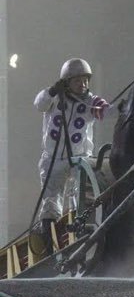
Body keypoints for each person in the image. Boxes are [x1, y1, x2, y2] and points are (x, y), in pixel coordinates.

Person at [33, 58, 115, 244]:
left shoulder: (90, 102)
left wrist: (124, 108)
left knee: (80, 195)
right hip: (53, 159)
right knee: (51, 199)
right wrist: (53, 90)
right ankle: (48, 238)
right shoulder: (54, 98)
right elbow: (39, 104)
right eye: (78, 80)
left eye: (85, 80)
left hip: (79, 159)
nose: (83, 84)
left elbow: (106, 111)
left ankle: (79, 231)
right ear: (66, 82)